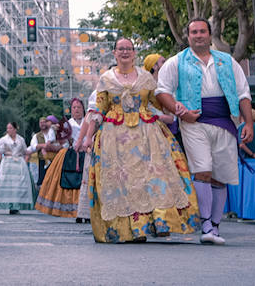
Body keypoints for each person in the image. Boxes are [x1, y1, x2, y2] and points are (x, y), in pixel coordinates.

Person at [82, 37, 198, 243]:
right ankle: (129, 230)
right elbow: (98, 110)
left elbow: (160, 103)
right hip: (114, 138)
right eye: (121, 49)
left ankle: (155, 223)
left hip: (146, 136)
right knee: (123, 183)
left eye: (129, 49)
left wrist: (178, 109)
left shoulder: (146, 78)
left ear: (134, 53)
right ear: (114, 53)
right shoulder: (106, 79)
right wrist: (89, 137)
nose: (125, 52)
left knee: (150, 180)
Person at [155, 17, 255, 246]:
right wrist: (179, 111)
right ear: (187, 37)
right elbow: (162, 91)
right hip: (193, 122)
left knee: (221, 175)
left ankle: (216, 226)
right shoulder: (176, 62)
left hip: (224, 121)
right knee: (203, 170)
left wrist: (248, 123)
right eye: (194, 32)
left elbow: (243, 93)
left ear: (210, 35)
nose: (198, 35)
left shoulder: (227, 61)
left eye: (202, 31)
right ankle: (206, 223)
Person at [34, 107, 83, 219]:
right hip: (68, 154)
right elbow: (61, 141)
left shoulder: (87, 120)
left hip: (84, 153)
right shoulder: (67, 124)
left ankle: (83, 209)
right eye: (74, 107)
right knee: (64, 179)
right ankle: (68, 209)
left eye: (79, 107)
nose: (77, 109)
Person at [0, 122, 34, 213]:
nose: (8, 130)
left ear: (15, 129)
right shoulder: (3, 139)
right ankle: (9, 205)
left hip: (19, 163)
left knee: (18, 185)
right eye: (7, 128)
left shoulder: (20, 139)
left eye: (10, 128)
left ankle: (16, 206)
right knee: (7, 185)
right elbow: (0, 153)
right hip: (7, 163)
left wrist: (30, 155)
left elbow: (25, 151)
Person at [27, 116, 54, 185]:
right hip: (42, 161)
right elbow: (33, 146)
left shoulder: (52, 133)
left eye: (44, 122)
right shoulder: (36, 136)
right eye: (41, 122)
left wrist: (42, 146)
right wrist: (43, 145)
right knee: (42, 181)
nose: (42, 124)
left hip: (53, 160)